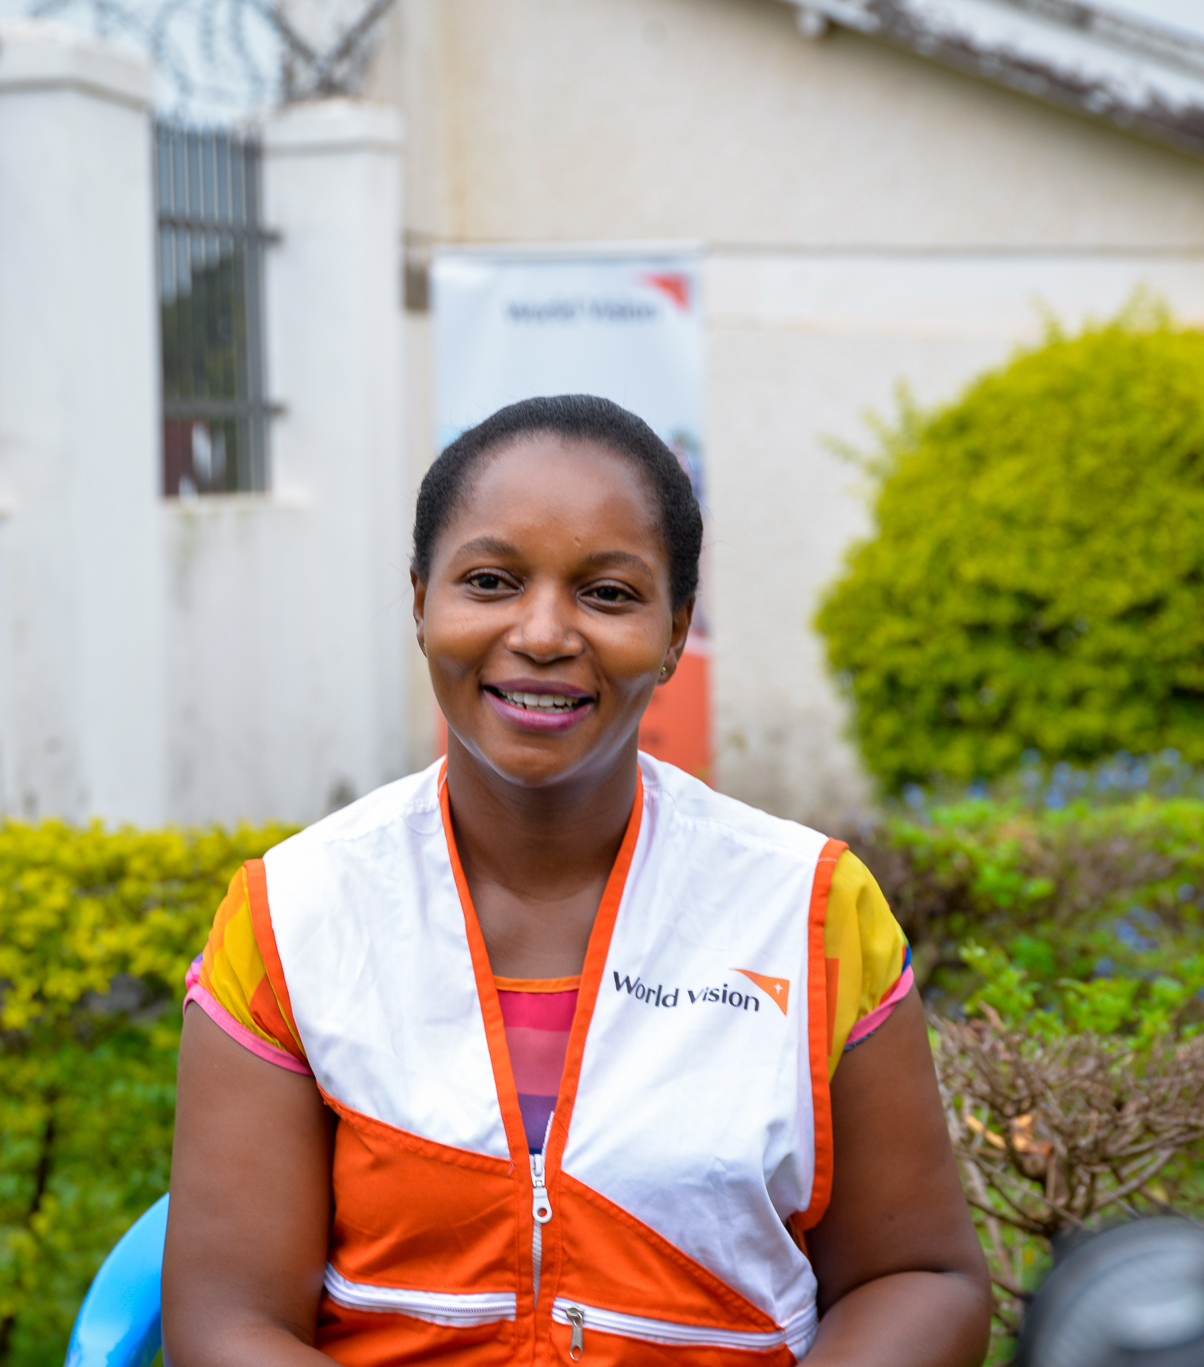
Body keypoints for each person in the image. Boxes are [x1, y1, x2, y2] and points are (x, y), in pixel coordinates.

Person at [164, 395, 992, 1366]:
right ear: (421, 601)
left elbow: (919, 1278)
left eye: (606, 593)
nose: (545, 631)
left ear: (676, 630)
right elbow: (227, 1318)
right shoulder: (295, 913)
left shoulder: (807, 911)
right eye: (489, 580)